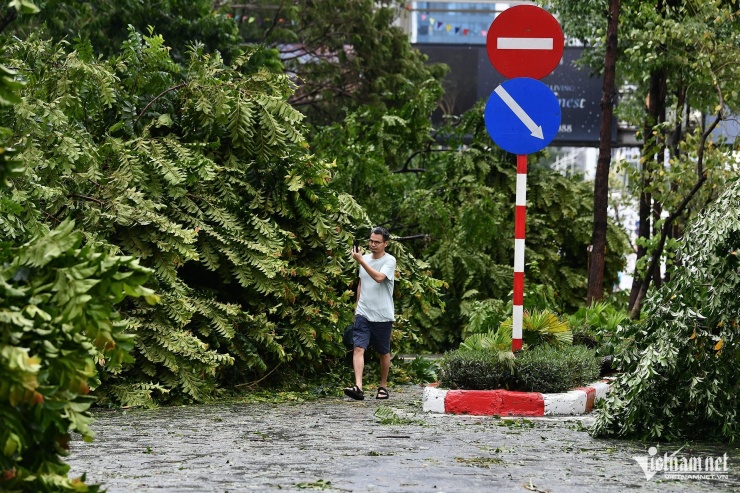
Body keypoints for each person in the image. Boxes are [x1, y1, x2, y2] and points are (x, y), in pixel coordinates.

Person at [344, 226, 396, 401]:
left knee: (383, 352)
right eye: (371, 241)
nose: (373, 244)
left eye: (377, 242)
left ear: (385, 244)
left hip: (382, 315)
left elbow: (379, 278)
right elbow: (361, 284)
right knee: (358, 348)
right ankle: (358, 386)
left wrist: (361, 261)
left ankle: (383, 386)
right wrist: (357, 307)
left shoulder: (390, 261)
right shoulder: (364, 259)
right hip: (363, 313)